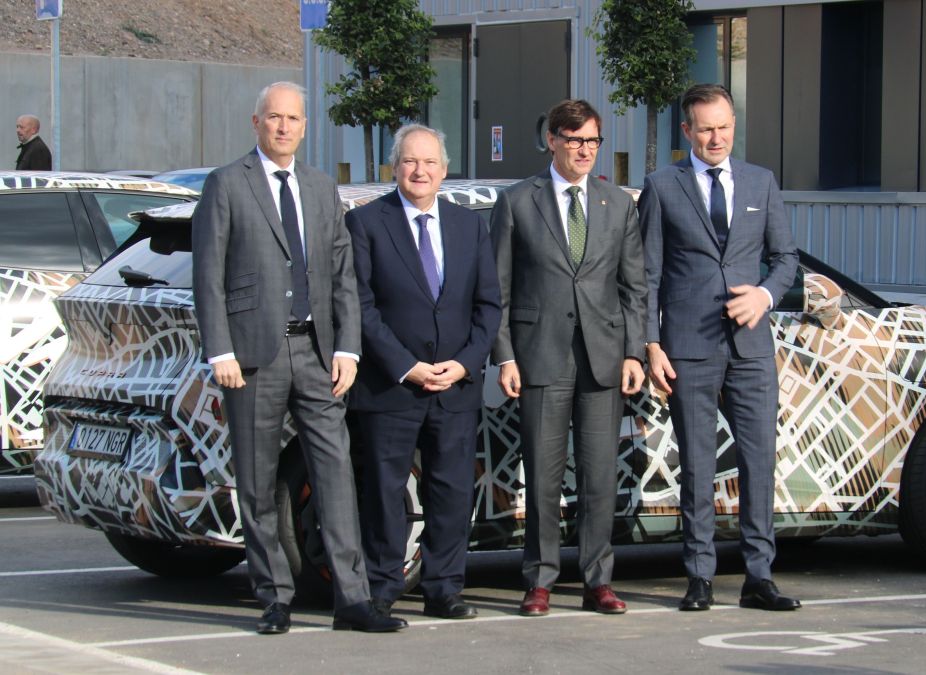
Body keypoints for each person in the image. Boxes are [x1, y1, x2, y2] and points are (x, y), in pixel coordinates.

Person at [192, 81, 402, 635]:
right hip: (253, 356)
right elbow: (208, 275)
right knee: (258, 482)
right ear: (256, 122)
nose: (284, 127)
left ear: (305, 127)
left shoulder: (318, 186)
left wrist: (348, 347)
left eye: (293, 119)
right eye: (274, 118)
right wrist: (220, 349)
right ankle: (273, 597)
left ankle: (353, 601)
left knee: (335, 475)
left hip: (316, 352)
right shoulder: (226, 184)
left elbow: (341, 275)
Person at [639, 83, 801, 612]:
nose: (717, 137)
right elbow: (648, 276)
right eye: (706, 128)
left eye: (725, 126)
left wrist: (764, 295)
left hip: (751, 349)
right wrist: (652, 344)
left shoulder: (762, 181)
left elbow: (785, 259)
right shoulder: (663, 187)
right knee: (699, 467)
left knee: (759, 462)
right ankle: (700, 577)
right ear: (686, 131)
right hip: (688, 347)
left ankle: (759, 576)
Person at [490, 99, 647, 617]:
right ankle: (539, 581)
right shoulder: (516, 202)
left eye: (593, 141)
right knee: (543, 476)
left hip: (602, 360)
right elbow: (500, 291)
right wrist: (506, 356)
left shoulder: (618, 204)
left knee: (600, 476)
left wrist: (633, 351)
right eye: (575, 139)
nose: (584, 150)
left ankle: (597, 581)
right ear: (552, 139)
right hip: (541, 358)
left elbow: (634, 289)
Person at [345, 124, 501, 620]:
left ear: (444, 169)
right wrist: (406, 366)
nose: (420, 171)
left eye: (430, 162)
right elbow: (361, 307)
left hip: (454, 385)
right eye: (411, 162)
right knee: (385, 493)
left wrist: (466, 362)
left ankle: (444, 589)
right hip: (390, 386)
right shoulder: (367, 223)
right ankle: (383, 588)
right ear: (396, 167)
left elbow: (489, 303)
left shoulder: (469, 225)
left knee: (452, 491)